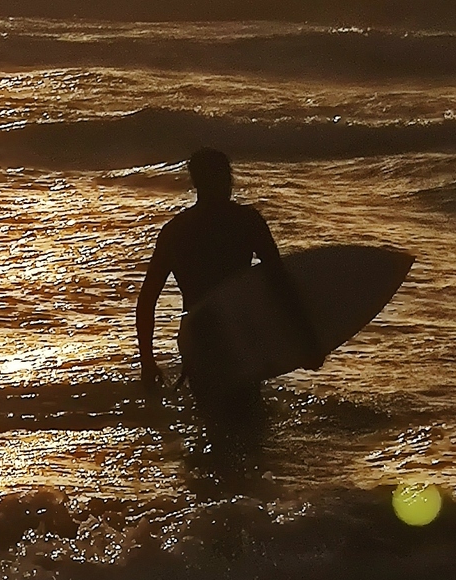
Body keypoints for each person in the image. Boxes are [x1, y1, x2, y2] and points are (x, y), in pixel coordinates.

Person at [136, 148, 323, 420]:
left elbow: (147, 299)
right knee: (248, 421)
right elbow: (279, 282)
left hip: (198, 339)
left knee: (211, 422)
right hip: (239, 334)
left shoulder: (175, 231)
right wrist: (306, 340)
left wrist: (148, 362)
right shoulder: (246, 222)